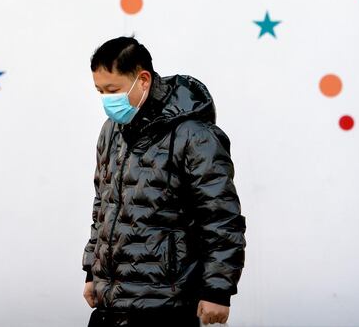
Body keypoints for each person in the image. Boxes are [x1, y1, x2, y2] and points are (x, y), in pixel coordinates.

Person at [82, 36, 247, 326]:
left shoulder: (194, 135)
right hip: (111, 306)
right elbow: (103, 207)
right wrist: (91, 272)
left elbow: (220, 217)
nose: (107, 100)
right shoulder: (111, 131)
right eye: (100, 91)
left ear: (143, 80)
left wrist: (218, 290)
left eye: (113, 90)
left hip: (167, 306)